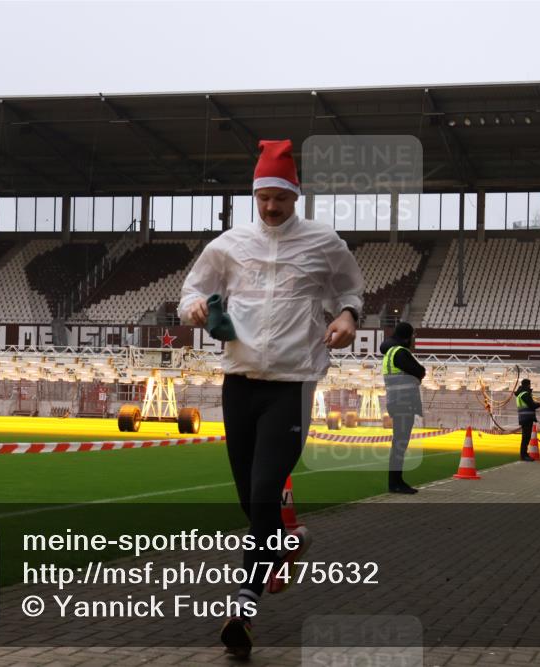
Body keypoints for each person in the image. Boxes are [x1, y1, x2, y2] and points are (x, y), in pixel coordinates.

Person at [179, 139, 365, 658]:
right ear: (254, 195)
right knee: (250, 502)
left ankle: (243, 607)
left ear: (295, 196)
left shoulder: (325, 243)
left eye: (280, 198)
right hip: (239, 383)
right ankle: (288, 542)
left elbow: (351, 292)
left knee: (264, 494)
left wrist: (347, 318)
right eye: (263, 197)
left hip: (292, 383)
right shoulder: (229, 245)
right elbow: (190, 291)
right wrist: (195, 309)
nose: (271, 207)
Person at [380, 321, 426, 493]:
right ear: (406, 337)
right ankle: (395, 483)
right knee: (400, 444)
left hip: (397, 402)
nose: (413, 339)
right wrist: (417, 376)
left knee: (399, 443)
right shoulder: (400, 353)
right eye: (412, 336)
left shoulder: (391, 352)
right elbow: (420, 371)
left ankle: (397, 482)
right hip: (403, 403)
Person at [515, 378, 540, 461]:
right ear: (528, 385)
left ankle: (524, 454)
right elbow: (532, 405)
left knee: (525, 437)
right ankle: (524, 455)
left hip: (523, 418)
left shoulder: (520, 394)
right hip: (527, 418)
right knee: (526, 438)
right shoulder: (525, 394)